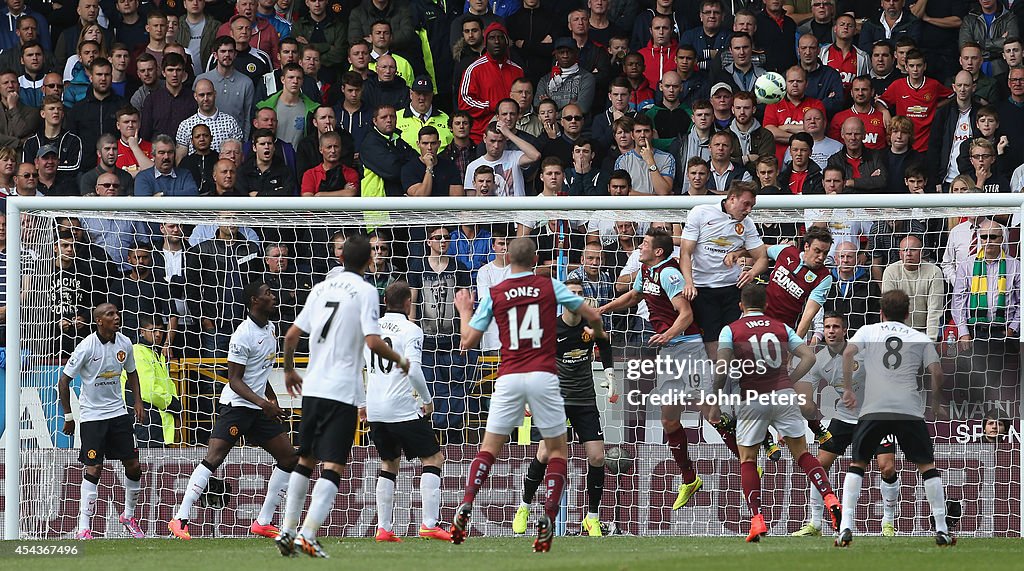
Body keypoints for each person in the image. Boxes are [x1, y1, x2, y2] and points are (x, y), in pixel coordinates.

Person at [450, 237, 606, 552]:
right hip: (544, 376)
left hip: (509, 377)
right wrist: (599, 335)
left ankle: (467, 501)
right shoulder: (549, 287)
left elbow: (467, 341)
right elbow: (593, 315)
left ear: (508, 260)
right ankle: (547, 516)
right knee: (557, 452)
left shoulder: (495, 293)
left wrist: (464, 310)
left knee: (489, 449)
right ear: (535, 259)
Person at [275, 234, 411, 558]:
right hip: (341, 391)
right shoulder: (365, 291)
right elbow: (374, 342)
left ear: (341, 259)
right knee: (333, 464)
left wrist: (289, 370)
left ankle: (287, 529)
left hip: (313, 387)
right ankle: (307, 534)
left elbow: (291, 334)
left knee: (305, 458)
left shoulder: (320, 288)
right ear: (368, 262)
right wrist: (401, 360)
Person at [600, 228, 739, 511]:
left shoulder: (669, 273)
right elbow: (632, 297)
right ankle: (689, 478)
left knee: (710, 413)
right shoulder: (646, 269)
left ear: (659, 251)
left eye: (646, 244)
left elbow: (685, 314)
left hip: (689, 348)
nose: (641, 246)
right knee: (669, 421)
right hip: (669, 351)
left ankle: (747, 460)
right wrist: (603, 309)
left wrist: (668, 334)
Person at [709, 283, 841, 542]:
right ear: (766, 305)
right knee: (802, 454)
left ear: (740, 306)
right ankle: (829, 496)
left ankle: (757, 520)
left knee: (748, 459)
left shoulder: (731, 329)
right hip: (782, 395)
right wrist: (790, 380)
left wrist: (714, 400)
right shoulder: (781, 327)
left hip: (752, 398)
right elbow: (809, 357)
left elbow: (722, 366)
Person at [169, 281, 298, 540]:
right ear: (254, 301)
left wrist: (272, 402)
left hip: (259, 408)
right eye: (268, 294)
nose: (274, 297)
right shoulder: (242, 335)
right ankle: (179, 518)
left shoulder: (272, 329)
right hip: (236, 407)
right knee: (214, 458)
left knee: (289, 458)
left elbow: (260, 375)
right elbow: (235, 380)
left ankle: (263, 522)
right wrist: (263, 403)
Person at [837, 289, 956, 548]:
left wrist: (847, 388)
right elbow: (936, 372)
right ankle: (942, 529)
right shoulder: (920, 337)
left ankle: (846, 525)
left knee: (858, 464)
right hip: (908, 409)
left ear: (881, 312)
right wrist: (935, 403)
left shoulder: (869, 331)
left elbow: (847, 353)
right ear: (907, 313)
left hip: (874, 408)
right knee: (926, 466)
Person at [512, 277, 616, 537]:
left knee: (597, 456)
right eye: (571, 293)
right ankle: (524, 506)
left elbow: (604, 344)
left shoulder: (591, 323)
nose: (576, 297)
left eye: (580, 293)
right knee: (545, 453)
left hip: (584, 399)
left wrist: (610, 375)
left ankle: (591, 518)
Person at [789, 312, 900, 538]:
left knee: (887, 467)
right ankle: (815, 523)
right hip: (844, 417)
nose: (831, 331)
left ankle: (888, 523)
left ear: (844, 330)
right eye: (828, 326)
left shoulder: (864, 352)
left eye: (836, 327)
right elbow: (805, 396)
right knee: (819, 465)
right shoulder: (818, 360)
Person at [364, 281, 450, 543]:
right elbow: (413, 369)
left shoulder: (370, 330)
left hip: (376, 409)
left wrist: (360, 404)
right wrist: (427, 400)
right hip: (401, 407)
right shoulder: (411, 330)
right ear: (407, 303)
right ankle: (429, 524)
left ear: (385, 302)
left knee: (389, 463)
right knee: (433, 458)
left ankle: (384, 528)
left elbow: (357, 368)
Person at [59, 303, 147, 539]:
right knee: (94, 468)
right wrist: (69, 416)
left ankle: (128, 516)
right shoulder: (86, 346)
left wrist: (137, 401)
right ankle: (83, 527)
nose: (117, 317)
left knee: (134, 466)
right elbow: (64, 382)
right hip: (92, 417)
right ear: (99, 321)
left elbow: (132, 373)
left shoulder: (125, 343)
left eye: (117, 313)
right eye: (110, 314)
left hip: (118, 413)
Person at [457, 22, 524, 143]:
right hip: (483, 134)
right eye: (492, 38)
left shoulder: (517, 70)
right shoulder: (473, 69)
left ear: (507, 42)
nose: (497, 41)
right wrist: (493, 106)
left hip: (515, 133)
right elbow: (464, 102)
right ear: (485, 43)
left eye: (500, 37)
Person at [122, 315, 181, 447]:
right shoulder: (138, 352)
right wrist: (172, 403)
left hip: (156, 420)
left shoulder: (155, 353)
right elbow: (147, 391)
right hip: (145, 418)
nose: (158, 334)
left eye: (160, 330)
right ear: (142, 332)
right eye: (153, 330)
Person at [880, 49, 953, 153]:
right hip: (904, 144)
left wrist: (935, 106)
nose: (915, 69)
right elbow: (879, 102)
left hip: (926, 145)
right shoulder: (898, 85)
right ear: (906, 67)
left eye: (918, 65)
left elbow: (952, 96)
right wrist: (884, 111)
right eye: (911, 66)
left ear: (925, 66)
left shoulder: (933, 85)